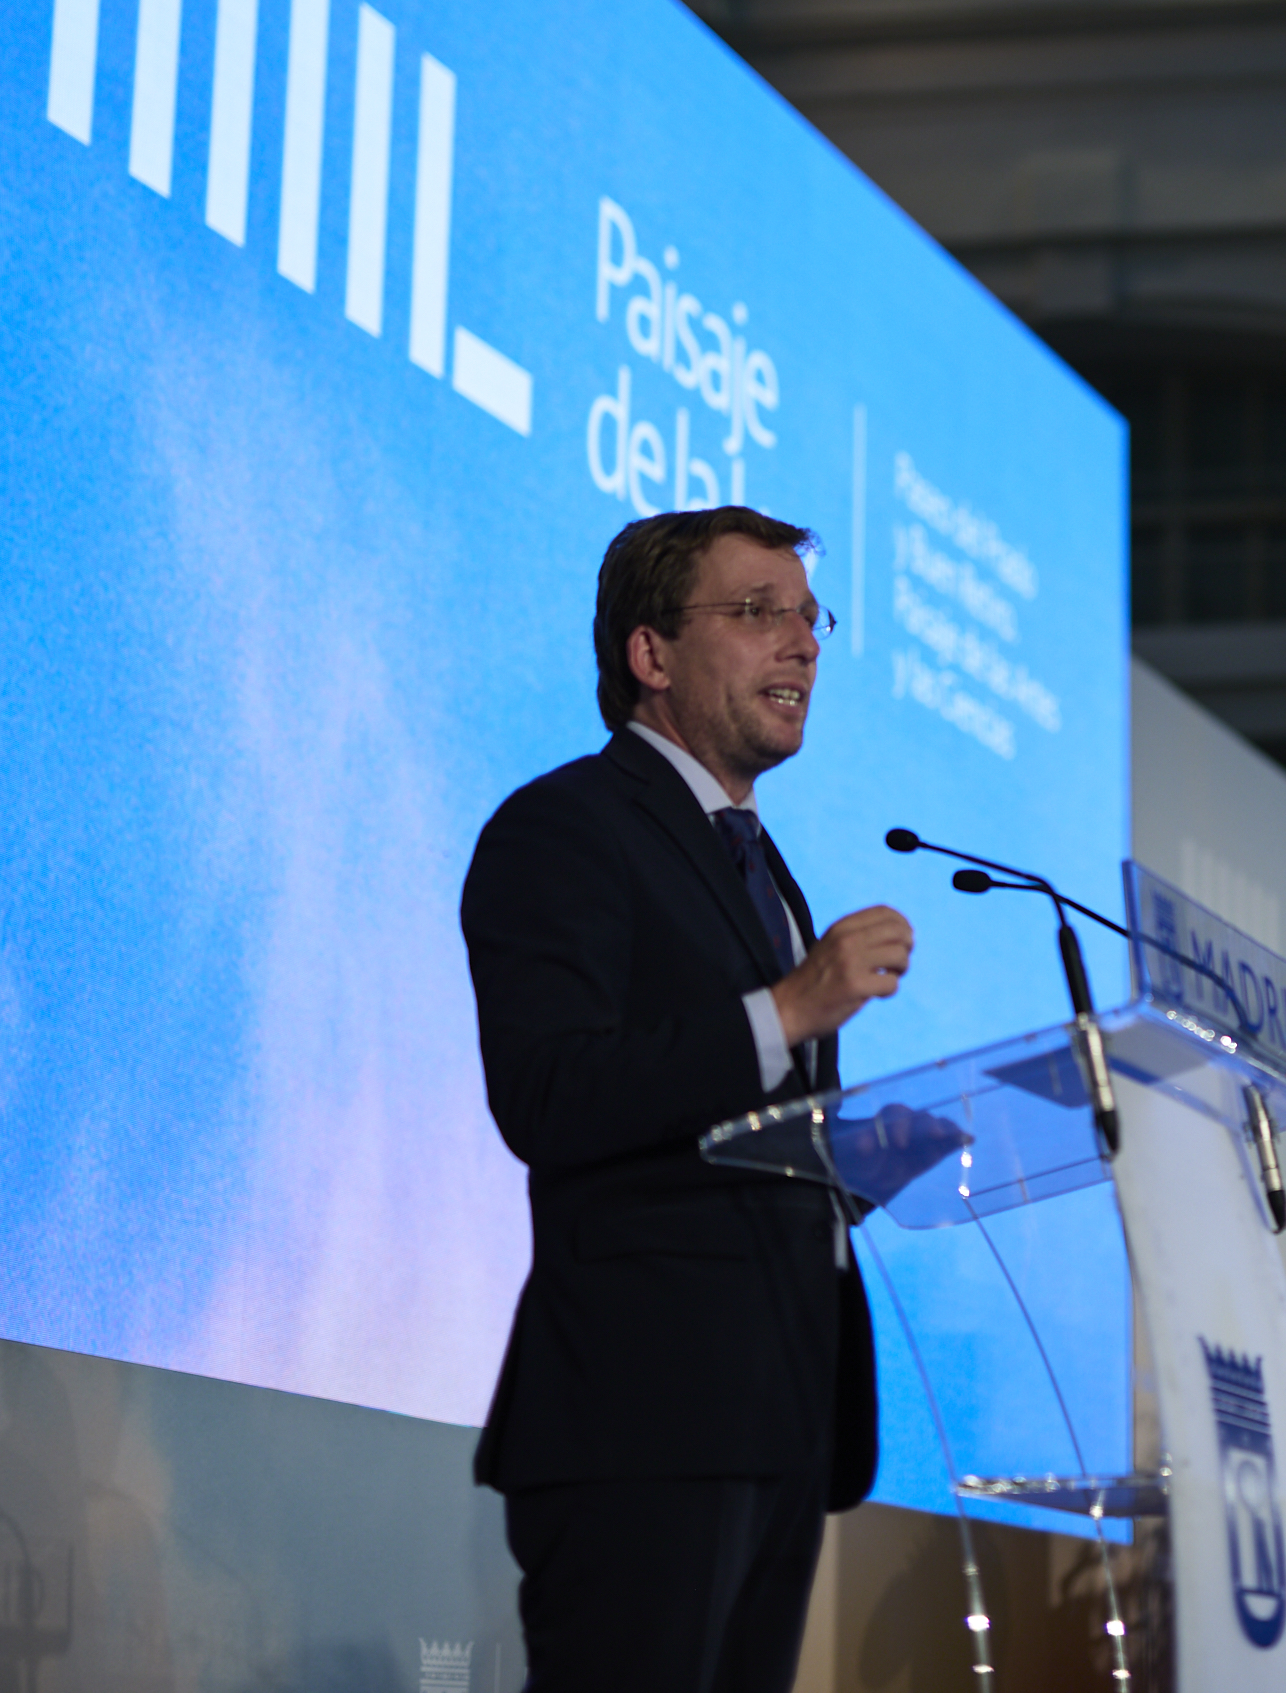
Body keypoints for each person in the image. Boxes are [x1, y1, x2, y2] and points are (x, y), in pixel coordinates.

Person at [463, 507, 916, 1690]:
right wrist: (789, 1011)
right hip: (644, 1419)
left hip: (780, 1416)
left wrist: (859, 1160)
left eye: (808, 618)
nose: (802, 644)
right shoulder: (562, 829)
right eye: (757, 613)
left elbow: (726, 1129)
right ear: (649, 655)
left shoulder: (760, 866)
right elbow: (549, 1094)